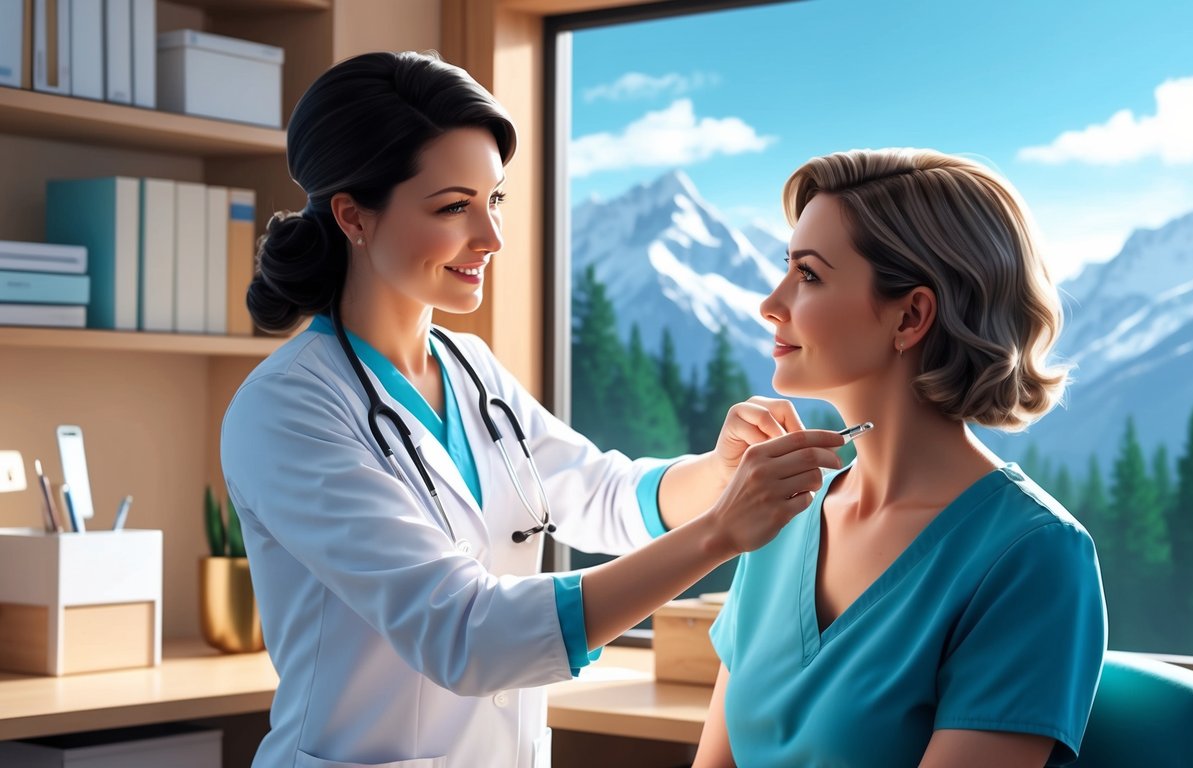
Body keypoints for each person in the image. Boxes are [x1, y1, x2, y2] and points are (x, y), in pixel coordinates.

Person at [219, 51, 845, 768]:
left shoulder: (470, 371)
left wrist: (720, 471)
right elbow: (465, 636)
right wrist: (717, 535)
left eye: (495, 201)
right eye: (453, 206)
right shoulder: (287, 412)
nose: (491, 239)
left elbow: (602, 493)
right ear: (353, 216)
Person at [694, 149, 1108, 768]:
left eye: (807, 275)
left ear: (911, 316)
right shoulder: (780, 510)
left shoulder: (1034, 557)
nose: (770, 303)